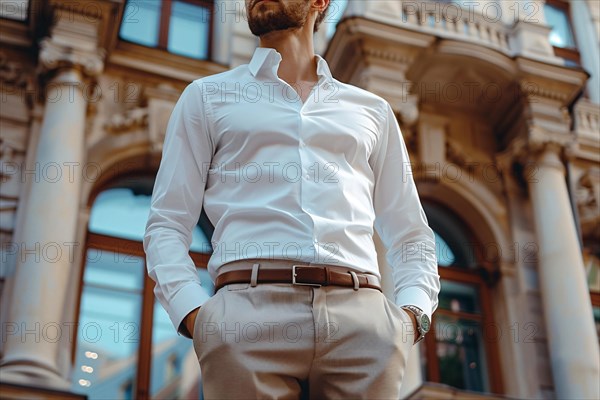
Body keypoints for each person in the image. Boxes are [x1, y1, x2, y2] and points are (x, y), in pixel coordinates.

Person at [143, 0, 440, 398]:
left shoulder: (372, 111)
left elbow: (409, 232)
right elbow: (167, 222)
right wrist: (197, 316)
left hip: (363, 323)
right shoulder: (206, 97)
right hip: (245, 318)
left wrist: (411, 319)